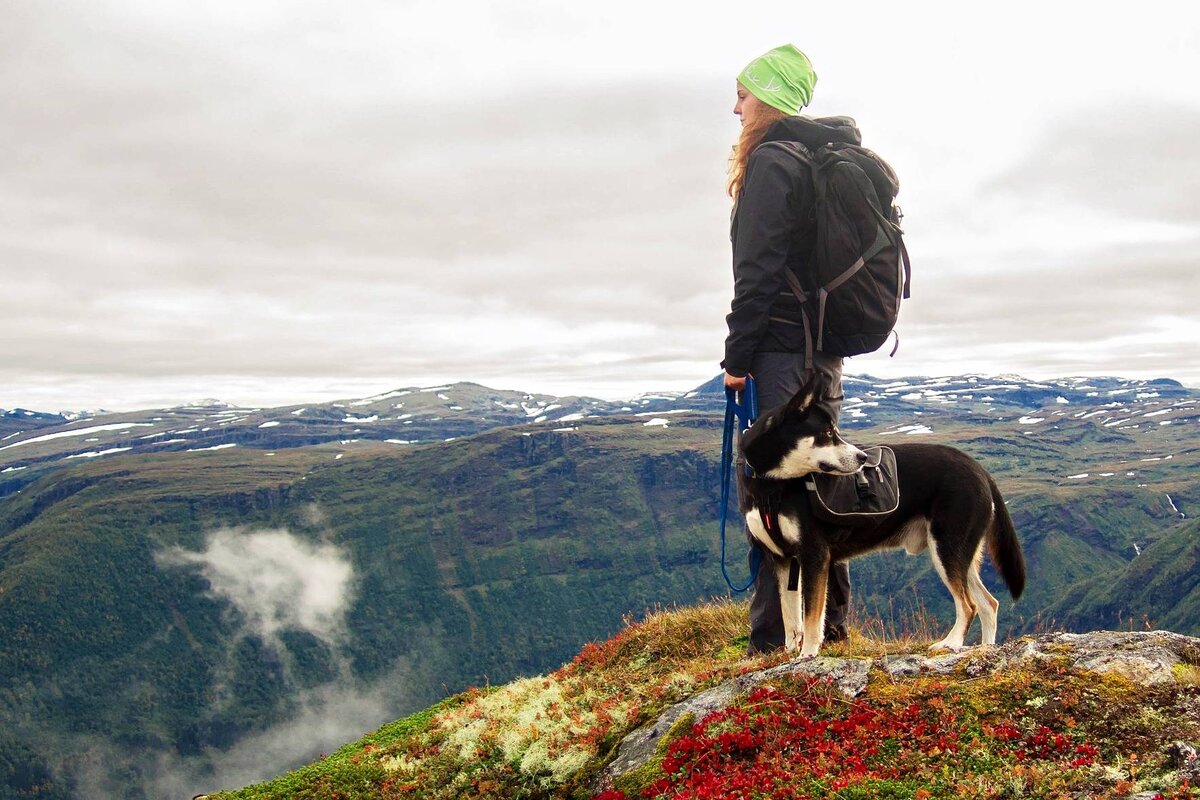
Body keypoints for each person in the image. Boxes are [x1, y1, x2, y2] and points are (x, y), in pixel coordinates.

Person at [721, 44, 856, 655]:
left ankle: (772, 641)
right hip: (821, 353)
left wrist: (737, 358)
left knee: (772, 489)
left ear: (769, 98)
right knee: (820, 480)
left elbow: (757, 272)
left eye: (744, 94)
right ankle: (829, 628)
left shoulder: (774, 162)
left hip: (781, 350)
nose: (736, 106)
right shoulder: (814, 158)